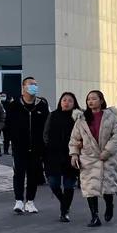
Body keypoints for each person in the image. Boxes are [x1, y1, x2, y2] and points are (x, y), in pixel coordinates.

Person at [69, 90, 117, 227]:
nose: (90, 101)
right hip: (88, 158)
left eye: (94, 99)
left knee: (107, 186)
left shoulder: (111, 117)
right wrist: (74, 154)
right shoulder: (81, 119)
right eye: (88, 99)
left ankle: (109, 205)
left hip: (107, 158)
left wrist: (107, 151)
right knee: (90, 187)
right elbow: (74, 139)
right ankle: (94, 216)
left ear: (101, 100)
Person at [5, 76, 50, 215]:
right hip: (19, 146)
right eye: (31, 84)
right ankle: (18, 200)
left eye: (35, 84)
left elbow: (47, 126)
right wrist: (11, 140)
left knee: (33, 174)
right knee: (19, 173)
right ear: (23, 87)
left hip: (37, 146)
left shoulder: (42, 104)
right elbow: (8, 125)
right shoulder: (14, 105)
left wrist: (45, 143)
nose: (34, 87)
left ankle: (30, 201)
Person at [43, 92, 81, 222]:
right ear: (60, 102)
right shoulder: (53, 115)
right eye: (64, 100)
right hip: (53, 154)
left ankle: (64, 212)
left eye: (70, 100)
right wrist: (49, 146)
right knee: (53, 182)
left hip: (71, 154)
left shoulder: (78, 117)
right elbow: (46, 133)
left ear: (74, 103)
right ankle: (64, 202)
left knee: (69, 185)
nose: (66, 103)